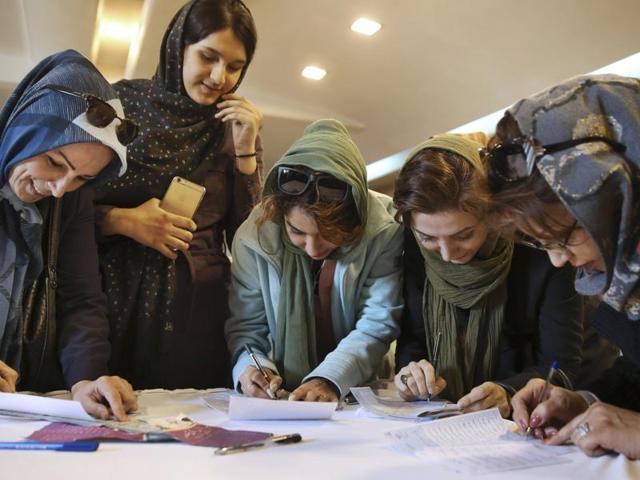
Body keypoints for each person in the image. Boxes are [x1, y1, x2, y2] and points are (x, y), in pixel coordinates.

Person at [93, 0, 263, 389]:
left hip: (196, 310)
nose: (220, 77)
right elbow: (65, 204)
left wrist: (247, 151)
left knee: (192, 430)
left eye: (235, 66)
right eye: (208, 57)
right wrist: (121, 220)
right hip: (113, 297)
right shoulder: (121, 107)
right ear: (177, 47)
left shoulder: (232, 128)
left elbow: (249, 237)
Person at [391, 134, 617, 418]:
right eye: (428, 238)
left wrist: (506, 390)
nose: (447, 254)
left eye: (464, 235)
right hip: (457, 418)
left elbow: (560, 364)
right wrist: (409, 375)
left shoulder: (540, 248)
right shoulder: (414, 248)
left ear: (491, 214)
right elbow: (413, 338)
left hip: (570, 405)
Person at [486, 74, 640, 459]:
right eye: (542, 242)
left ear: (619, 191)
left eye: (566, 233)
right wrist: (583, 403)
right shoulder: (622, 282)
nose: (558, 259)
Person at [0, 50, 137, 420]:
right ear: (24, 132)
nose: (60, 189)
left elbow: (80, 299)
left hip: (24, 400)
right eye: (55, 163)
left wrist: (85, 379)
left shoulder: (71, 201)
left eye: (81, 178)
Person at [225, 119, 403, 402]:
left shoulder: (384, 231)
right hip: (282, 395)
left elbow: (377, 323)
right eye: (296, 231)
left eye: (329, 235)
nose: (312, 248)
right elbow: (247, 327)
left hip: (360, 390)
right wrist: (250, 369)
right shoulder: (253, 238)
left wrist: (329, 379)